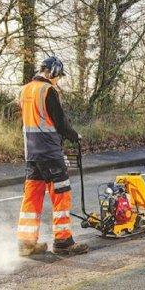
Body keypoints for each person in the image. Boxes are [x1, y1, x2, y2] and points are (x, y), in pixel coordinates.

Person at [17, 57, 89, 256]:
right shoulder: (48, 91)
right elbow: (60, 122)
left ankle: (26, 243)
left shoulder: (24, 91)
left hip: (31, 154)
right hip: (49, 153)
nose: (58, 81)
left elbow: (24, 122)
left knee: (32, 197)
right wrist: (75, 136)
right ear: (53, 71)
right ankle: (63, 241)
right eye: (58, 77)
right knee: (61, 194)